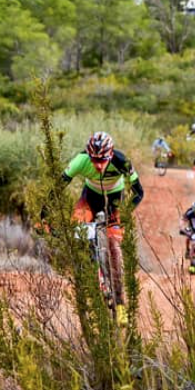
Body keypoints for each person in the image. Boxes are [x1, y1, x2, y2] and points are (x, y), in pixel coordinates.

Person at [61, 132, 144, 326]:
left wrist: (125, 213)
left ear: (110, 155)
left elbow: (139, 192)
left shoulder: (122, 161)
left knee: (115, 248)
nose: (98, 165)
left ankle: (120, 304)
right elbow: (58, 186)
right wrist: (45, 214)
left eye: (102, 160)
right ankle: (90, 272)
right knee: (78, 231)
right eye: (94, 160)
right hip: (89, 198)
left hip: (115, 201)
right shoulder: (80, 160)